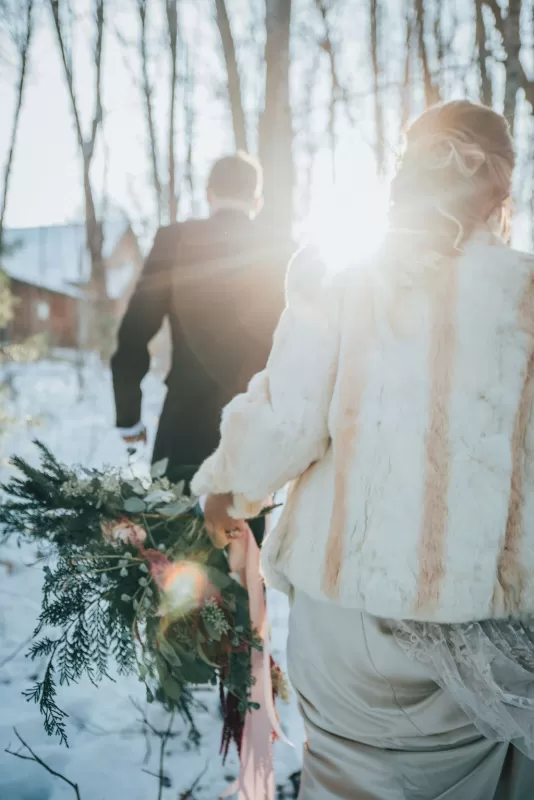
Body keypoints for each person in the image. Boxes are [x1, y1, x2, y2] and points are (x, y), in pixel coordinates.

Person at [193, 101, 534, 798]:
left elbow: (286, 422)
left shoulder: (343, 278)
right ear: (501, 189)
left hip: (350, 629)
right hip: (486, 641)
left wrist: (225, 493)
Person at [111, 152, 290, 542]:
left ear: (209, 193)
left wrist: (129, 418)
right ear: (256, 199)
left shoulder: (173, 241)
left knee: (169, 558)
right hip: (252, 434)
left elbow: (134, 332)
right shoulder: (280, 249)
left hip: (183, 425)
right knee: (242, 559)